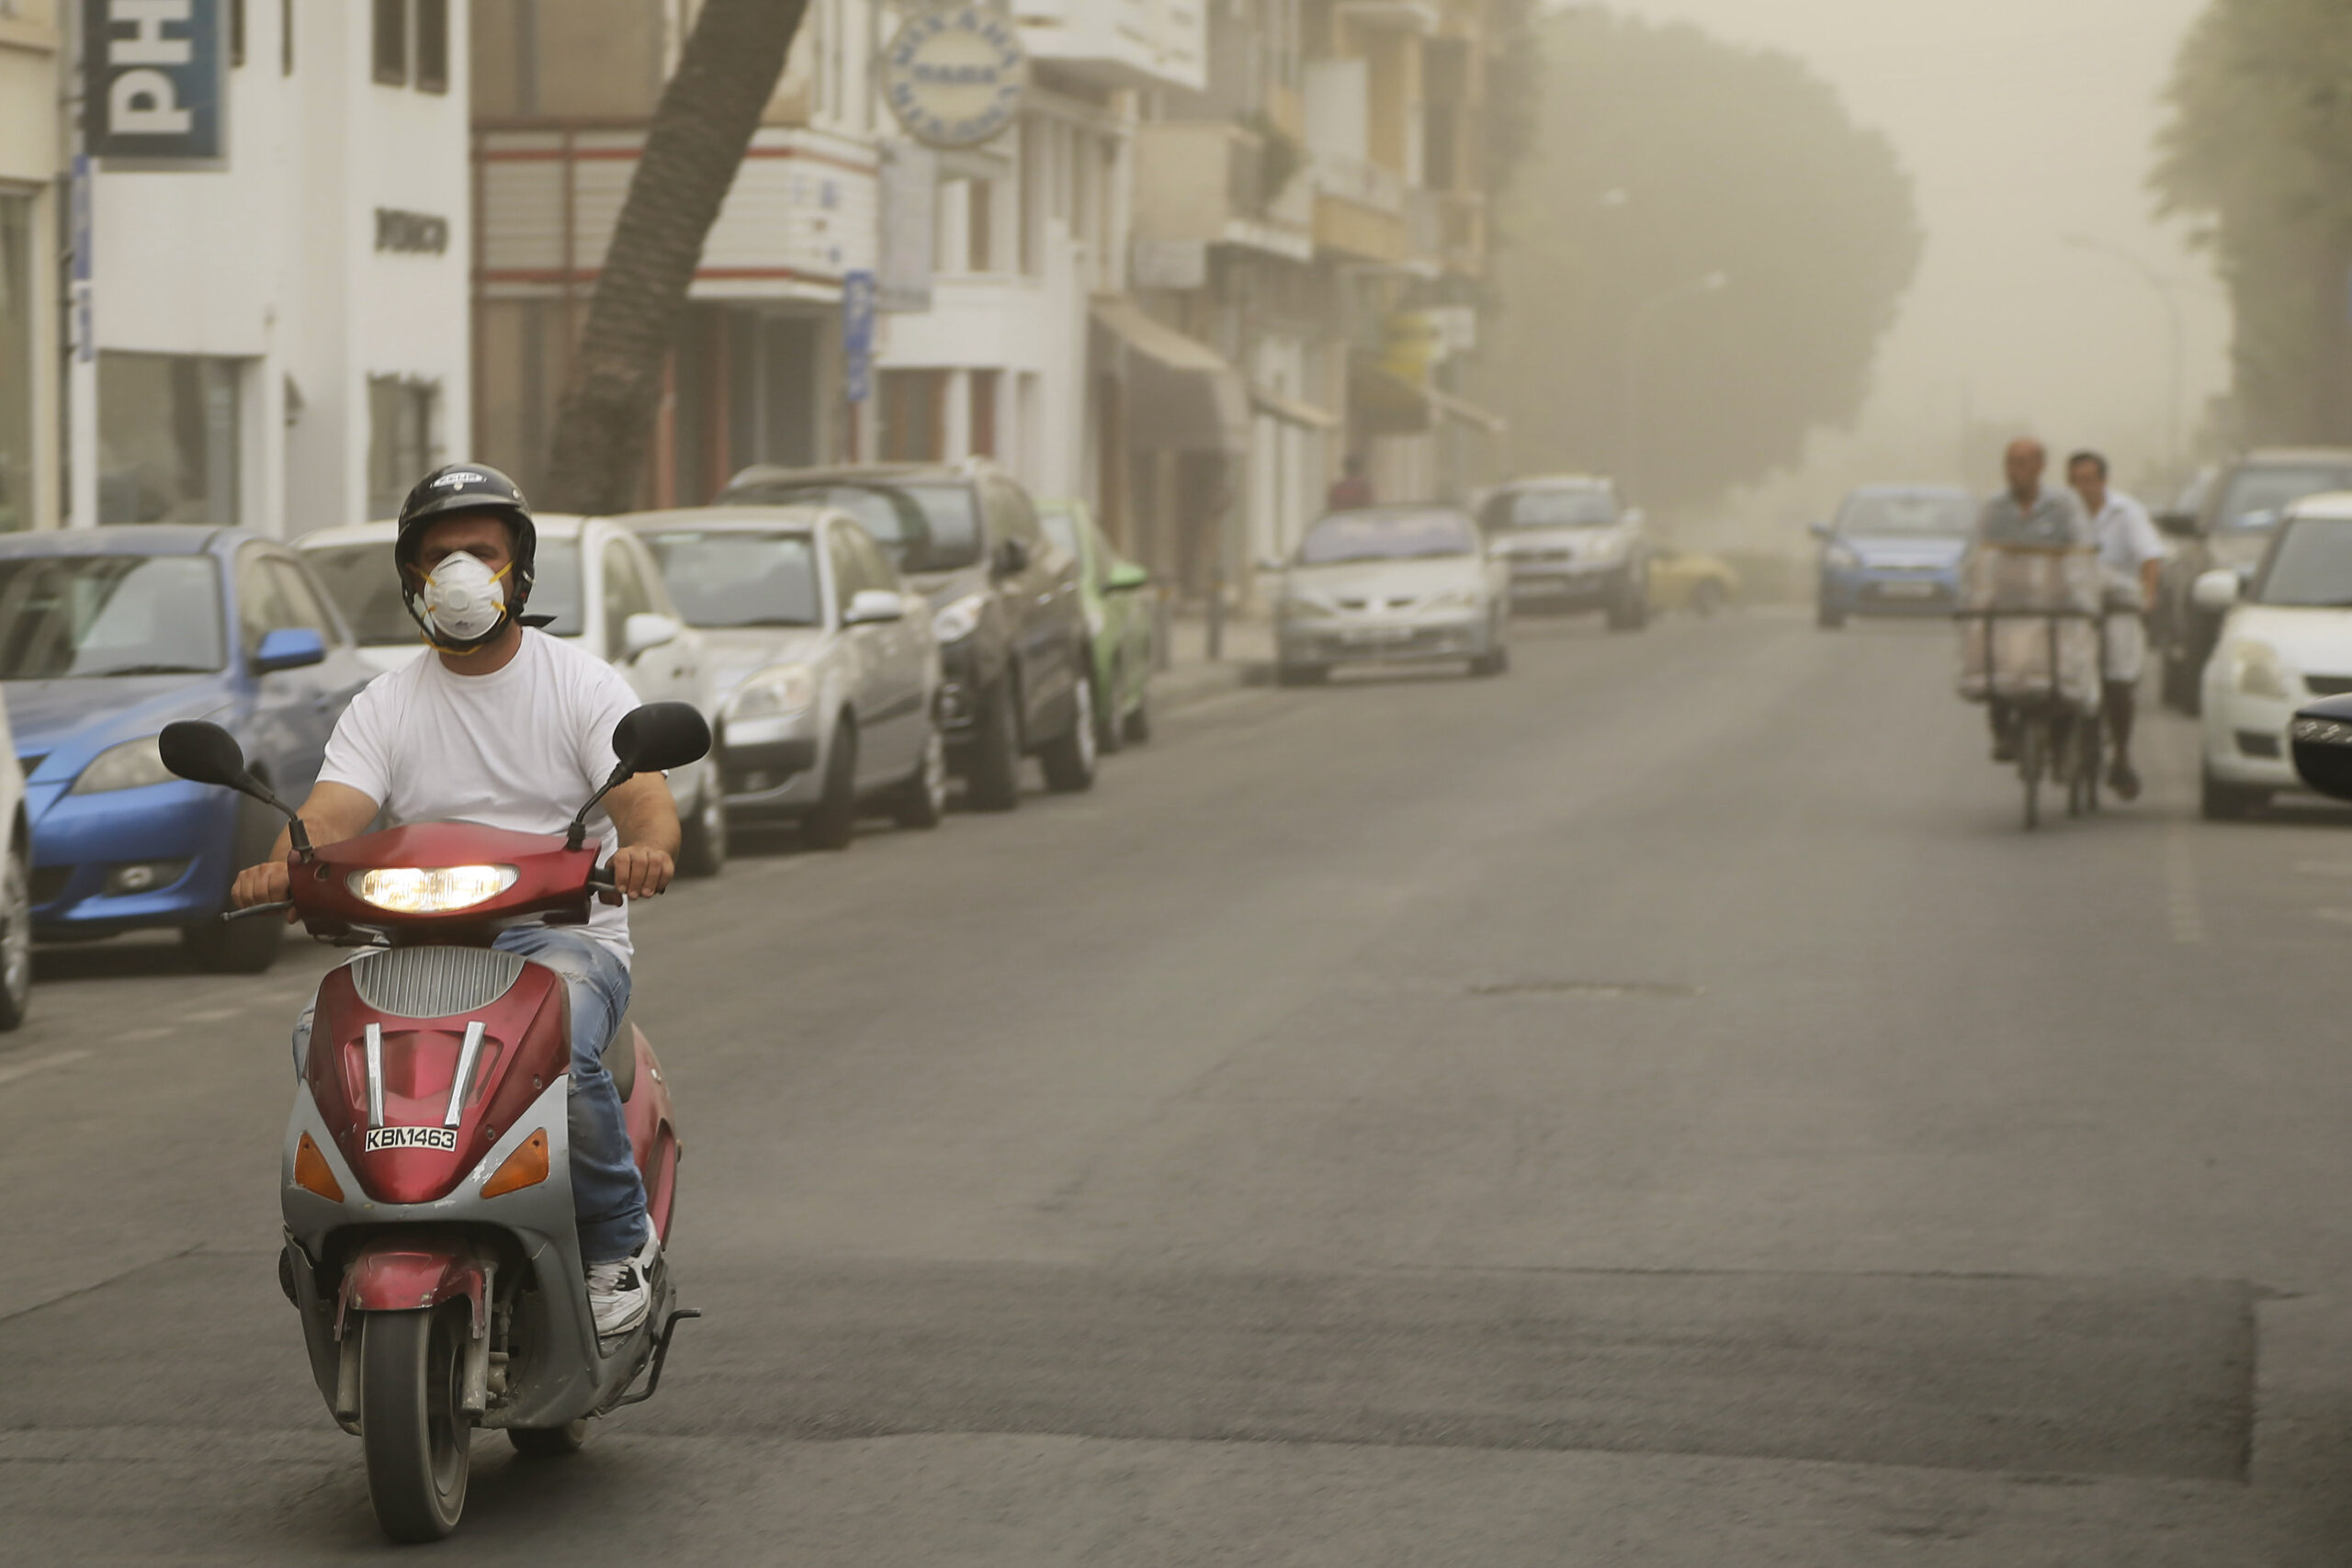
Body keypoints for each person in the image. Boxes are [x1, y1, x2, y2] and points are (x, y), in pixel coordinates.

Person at [232, 465, 678, 1340]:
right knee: (312, 1033)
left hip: (563, 943)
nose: (461, 572)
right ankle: (332, 1231)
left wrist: (648, 846)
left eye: (481, 551)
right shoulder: (385, 704)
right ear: (411, 580)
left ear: (518, 570)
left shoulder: (581, 683)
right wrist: (286, 862)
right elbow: (330, 814)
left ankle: (622, 1245)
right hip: (415, 946)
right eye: (440, 556)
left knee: (567, 1043)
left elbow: (641, 794)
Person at [1973, 438, 2093, 761]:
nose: (2015, 471)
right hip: (2009, 606)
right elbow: (1975, 557)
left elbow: (2082, 552)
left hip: (2055, 605)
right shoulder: (1993, 509)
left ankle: (2062, 738)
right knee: (1994, 663)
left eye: (2023, 463)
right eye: (2010, 463)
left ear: (2041, 466)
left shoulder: (2065, 506)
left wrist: (2081, 600)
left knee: (2064, 670)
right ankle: (2001, 731)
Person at [2067, 449, 2165, 800]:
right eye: (2076, 481)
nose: (2083, 488)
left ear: (2103, 482)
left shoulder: (2127, 512)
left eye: (2089, 481)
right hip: (2073, 608)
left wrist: (2148, 595)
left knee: (2119, 679)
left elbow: (2150, 557)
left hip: (2117, 605)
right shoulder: (2062, 514)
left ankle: (2121, 752)